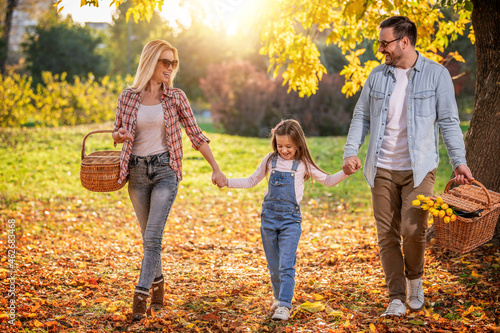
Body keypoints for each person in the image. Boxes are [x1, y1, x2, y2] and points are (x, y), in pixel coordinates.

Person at [342, 16, 473, 317]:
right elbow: (360, 117)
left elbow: (450, 123)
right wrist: (351, 151)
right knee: (387, 234)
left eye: (385, 43)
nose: (381, 49)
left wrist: (459, 162)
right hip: (381, 167)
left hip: (420, 166)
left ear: (404, 41)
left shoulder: (436, 75)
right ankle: (396, 297)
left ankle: (415, 279)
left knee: (413, 230)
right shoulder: (377, 76)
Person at [112, 40, 226, 321]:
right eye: (165, 62)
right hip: (136, 174)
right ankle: (159, 286)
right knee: (148, 239)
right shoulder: (128, 96)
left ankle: (141, 295)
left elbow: (196, 134)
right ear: (150, 62)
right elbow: (115, 132)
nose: (170, 68)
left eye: (173, 63)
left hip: (165, 170)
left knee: (152, 237)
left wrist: (216, 168)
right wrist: (121, 136)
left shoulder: (176, 97)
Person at [216, 119, 349, 321]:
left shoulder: (303, 164)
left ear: (298, 144)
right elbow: (252, 180)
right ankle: (278, 298)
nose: (284, 150)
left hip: (290, 221)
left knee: (286, 264)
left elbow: (328, 180)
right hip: (268, 219)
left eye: (289, 146)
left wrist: (346, 172)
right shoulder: (271, 160)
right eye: (280, 146)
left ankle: (285, 305)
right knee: (273, 264)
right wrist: (227, 182)